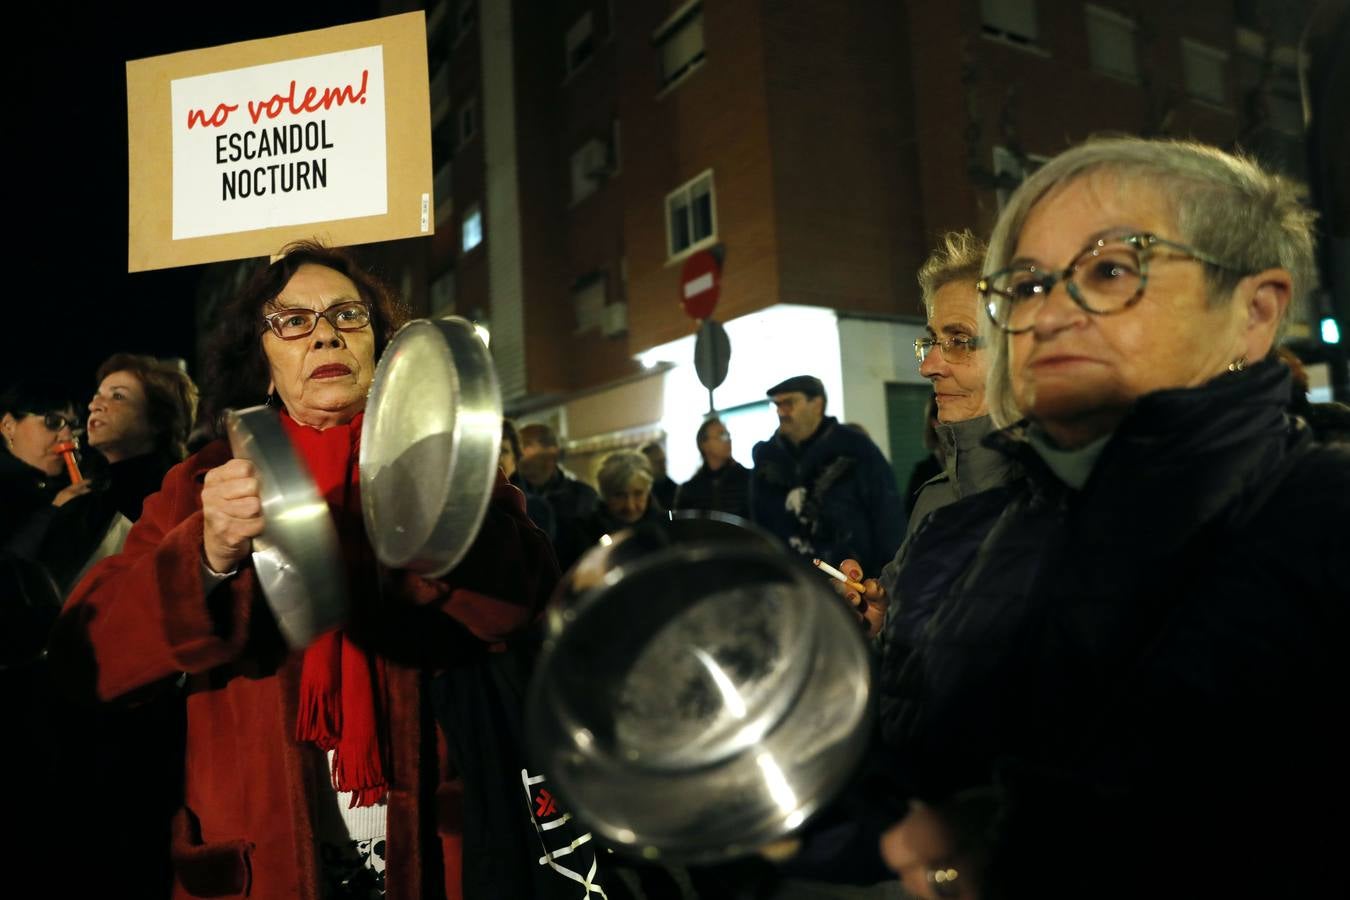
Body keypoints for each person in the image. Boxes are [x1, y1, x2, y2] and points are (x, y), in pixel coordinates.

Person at [873, 138, 1347, 898]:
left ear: (1254, 314)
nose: (1051, 312)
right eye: (1026, 286)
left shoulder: (1324, 520)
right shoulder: (979, 529)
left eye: (1111, 271)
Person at [48, 241, 561, 900]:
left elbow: (528, 606)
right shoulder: (200, 482)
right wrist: (205, 554)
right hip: (262, 862)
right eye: (293, 321)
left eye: (348, 317)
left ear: (382, 353)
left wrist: (438, 523)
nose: (324, 334)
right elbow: (85, 657)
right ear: (264, 364)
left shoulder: (444, 461)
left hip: (433, 852)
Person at [34, 353, 199, 594]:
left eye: (118, 396)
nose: (94, 405)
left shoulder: (173, 497)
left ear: (159, 420)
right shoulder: (93, 493)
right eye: (97, 395)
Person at [750, 375, 903, 575]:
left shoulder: (856, 449)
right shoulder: (766, 458)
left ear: (817, 404)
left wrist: (887, 581)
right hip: (788, 586)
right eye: (777, 405)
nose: (781, 412)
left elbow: (888, 517)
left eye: (789, 403)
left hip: (851, 586)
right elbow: (757, 525)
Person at [1, 381, 87, 554]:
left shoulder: (55, 484)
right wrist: (53, 513)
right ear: (9, 426)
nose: (67, 436)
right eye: (53, 422)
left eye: (73, 426)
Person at [517, 422, 599, 571]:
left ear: (552, 452)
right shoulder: (513, 496)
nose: (519, 452)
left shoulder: (583, 496)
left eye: (526, 445)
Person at [673, 417, 751, 519]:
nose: (728, 440)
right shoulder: (690, 490)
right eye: (722, 435)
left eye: (728, 435)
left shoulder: (748, 478)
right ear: (705, 445)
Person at [581, 450, 665, 544]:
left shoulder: (665, 529)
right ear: (604, 495)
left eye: (638, 494)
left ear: (648, 491)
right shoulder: (586, 534)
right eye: (619, 495)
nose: (630, 506)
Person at [500, 418, 557, 542]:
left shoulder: (536, 509)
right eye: (491, 451)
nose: (497, 458)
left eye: (504, 451)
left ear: (515, 459)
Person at [639, 440, 677, 511]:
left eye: (664, 461)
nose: (663, 466)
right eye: (658, 462)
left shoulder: (674, 489)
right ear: (644, 465)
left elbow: (671, 517)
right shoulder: (637, 491)